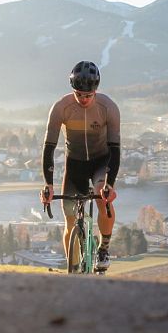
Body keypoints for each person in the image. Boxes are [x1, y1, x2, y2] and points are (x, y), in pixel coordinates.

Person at [41, 61, 121, 273]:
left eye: (88, 95)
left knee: (100, 194)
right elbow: (49, 148)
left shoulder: (108, 108)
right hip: (74, 164)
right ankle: (73, 269)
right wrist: (48, 185)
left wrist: (109, 185)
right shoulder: (61, 108)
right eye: (79, 94)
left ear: (96, 91)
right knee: (69, 221)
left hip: (101, 162)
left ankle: (103, 248)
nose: (84, 99)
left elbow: (115, 150)